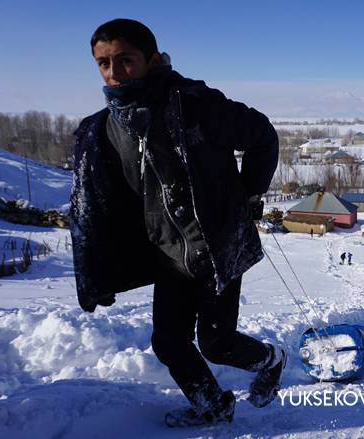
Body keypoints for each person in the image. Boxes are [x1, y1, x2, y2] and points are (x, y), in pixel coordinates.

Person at [70, 19, 284, 427]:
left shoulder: (195, 105)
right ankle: (213, 405)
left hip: (216, 246)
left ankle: (272, 359)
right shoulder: (103, 129)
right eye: (103, 63)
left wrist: (248, 197)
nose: (114, 74)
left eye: (125, 61)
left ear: (151, 59)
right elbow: (97, 207)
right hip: (168, 255)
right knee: (169, 343)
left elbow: (263, 136)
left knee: (217, 344)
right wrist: (96, 270)